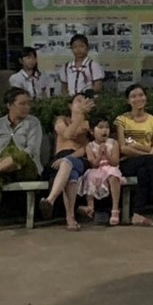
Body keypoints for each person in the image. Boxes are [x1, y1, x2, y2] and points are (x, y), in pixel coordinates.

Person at [115, 84, 153, 226]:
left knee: (144, 171)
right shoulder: (122, 120)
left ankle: (137, 215)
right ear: (128, 101)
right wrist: (146, 151)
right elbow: (123, 148)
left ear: (146, 97)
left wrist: (136, 146)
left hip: (147, 163)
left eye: (141, 95)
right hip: (127, 163)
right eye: (133, 96)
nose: (138, 99)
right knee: (149, 161)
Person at [39, 91, 94, 231]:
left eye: (84, 101)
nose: (81, 103)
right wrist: (80, 116)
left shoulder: (88, 124)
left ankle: (50, 200)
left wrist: (70, 158)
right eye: (78, 101)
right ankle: (70, 219)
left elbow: (86, 147)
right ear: (70, 106)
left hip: (78, 157)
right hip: (59, 158)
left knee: (68, 163)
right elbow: (68, 134)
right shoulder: (61, 120)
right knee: (71, 175)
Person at [0, 88, 43, 232]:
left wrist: (7, 160)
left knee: (19, 155)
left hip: (27, 167)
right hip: (3, 169)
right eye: (22, 104)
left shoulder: (33, 123)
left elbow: (31, 150)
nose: (27, 107)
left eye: (28, 104)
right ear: (10, 105)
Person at [78, 117, 125, 226]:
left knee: (113, 176)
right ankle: (90, 206)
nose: (105, 130)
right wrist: (99, 155)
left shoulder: (113, 143)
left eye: (107, 127)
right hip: (97, 168)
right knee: (90, 176)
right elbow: (93, 164)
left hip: (110, 167)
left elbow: (115, 162)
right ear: (92, 131)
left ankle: (115, 209)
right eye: (100, 127)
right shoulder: (89, 146)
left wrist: (107, 155)